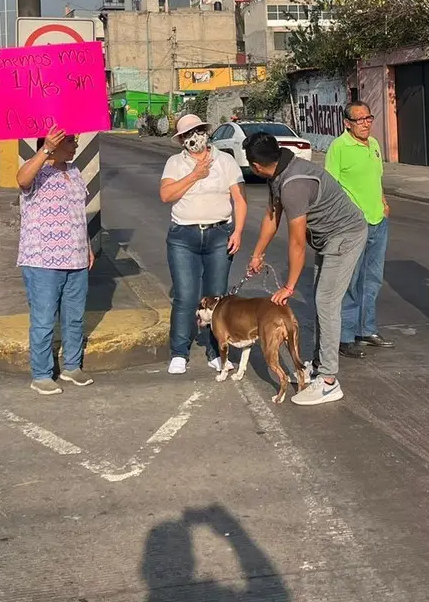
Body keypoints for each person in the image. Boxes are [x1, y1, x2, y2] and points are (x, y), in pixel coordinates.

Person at [244, 132, 367, 406]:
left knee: (326, 302)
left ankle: (328, 381)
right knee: (321, 300)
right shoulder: (279, 173)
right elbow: (271, 215)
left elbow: (297, 243)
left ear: (256, 166)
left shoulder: (294, 185)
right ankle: (318, 364)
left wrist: (289, 286)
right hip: (328, 237)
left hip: (345, 235)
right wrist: (257, 254)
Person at [160, 114, 247, 375]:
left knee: (217, 297)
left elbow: (240, 199)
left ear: (205, 132)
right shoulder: (175, 163)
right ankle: (179, 351)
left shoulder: (226, 161)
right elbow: (166, 195)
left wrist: (238, 231)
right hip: (183, 237)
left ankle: (216, 351)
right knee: (186, 296)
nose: (193, 138)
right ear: (181, 140)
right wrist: (195, 175)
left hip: (219, 234)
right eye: (186, 135)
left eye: (196, 131)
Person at [16, 125, 95, 395]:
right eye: (70, 141)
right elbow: (23, 180)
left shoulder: (73, 171)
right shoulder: (36, 168)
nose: (74, 146)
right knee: (44, 320)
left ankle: (73, 366)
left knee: (74, 318)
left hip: (76, 259)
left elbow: (78, 214)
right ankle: (41, 373)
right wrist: (45, 149)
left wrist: (86, 247)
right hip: (42, 260)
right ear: (53, 144)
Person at [326, 101, 393, 358]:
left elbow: (377, 179)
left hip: (378, 221)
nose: (365, 123)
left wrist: (384, 202)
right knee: (350, 282)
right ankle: (344, 337)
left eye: (368, 118)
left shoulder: (374, 145)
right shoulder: (339, 147)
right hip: (352, 226)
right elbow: (330, 188)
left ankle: (367, 330)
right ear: (347, 123)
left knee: (373, 279)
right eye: (359, 119)